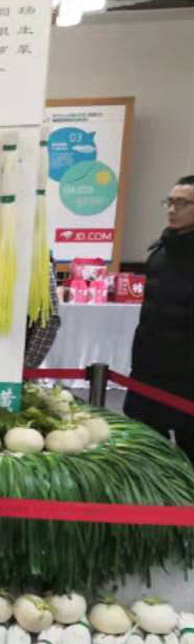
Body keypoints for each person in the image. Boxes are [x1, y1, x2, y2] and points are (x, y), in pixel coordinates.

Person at [124, 175, 194, 459]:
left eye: (183, 203)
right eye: (170, 202)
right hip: (149, 366)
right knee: (148, 449)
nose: (173, 210)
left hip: (187, 373)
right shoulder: (159, 252)